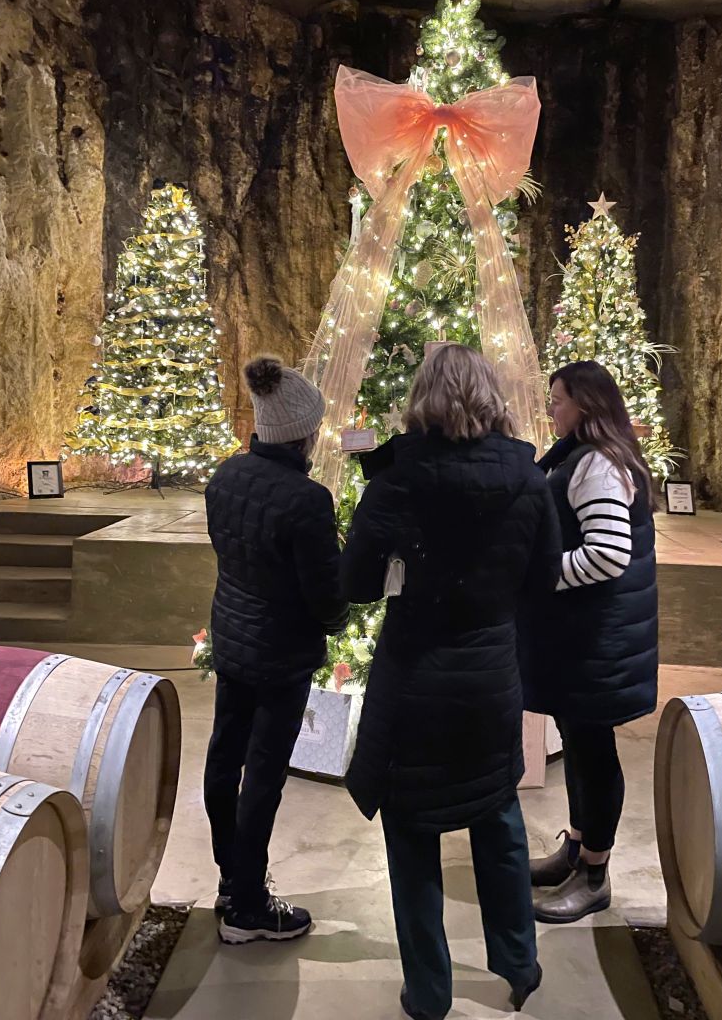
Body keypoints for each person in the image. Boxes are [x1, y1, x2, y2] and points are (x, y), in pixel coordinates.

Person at [341, 345, 562, 1020]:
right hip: (492, 672)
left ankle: (430, 993)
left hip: (416, 677)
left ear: (422, 400)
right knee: (498, 817)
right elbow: (546, 574)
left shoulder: (398, 482)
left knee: (411, 835)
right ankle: (520, 964)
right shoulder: (529, 480)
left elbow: (354, 584)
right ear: (489, 397)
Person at [203, 355, 348, 944]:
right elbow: (325, 593)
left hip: (233, 640)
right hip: (282, 655)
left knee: (224, 755)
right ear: (303, 432)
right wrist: (339, 618)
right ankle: (248, 905)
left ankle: (228, 878)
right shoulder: (307, 501)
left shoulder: (225, 479)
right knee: (264, 771)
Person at [521, 360, 658, 924]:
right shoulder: (585, 455)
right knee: (580, 744)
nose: (551, 409)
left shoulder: (597, 465)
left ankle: (595, 875)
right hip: (589, 635)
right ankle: (576, 848)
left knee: (594, 753)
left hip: (598, 638)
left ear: (585, 404)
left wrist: (539, 574)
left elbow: (606, 554)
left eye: (558, 400)